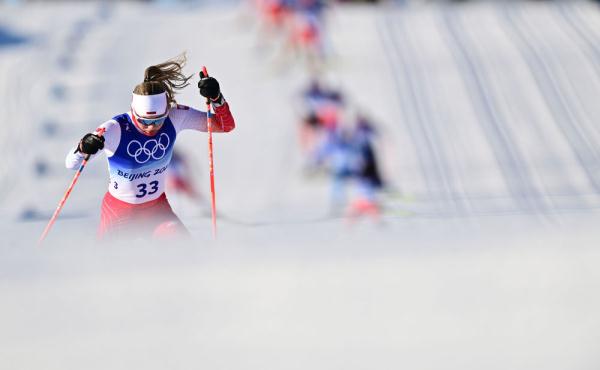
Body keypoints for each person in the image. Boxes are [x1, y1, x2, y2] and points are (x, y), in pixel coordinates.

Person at [65, 54, 235, 241]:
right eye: (144, 121)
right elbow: (71, 164)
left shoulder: (175, 116)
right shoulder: (116, 128)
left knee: (187, 253)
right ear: (133, 111)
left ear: (167, 110)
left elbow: (225, 126)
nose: (151, 127)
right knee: (110, 265)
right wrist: (83, 147)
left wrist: (217, 98)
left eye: (158, 120)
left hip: (156, 209)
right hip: (119, 212)